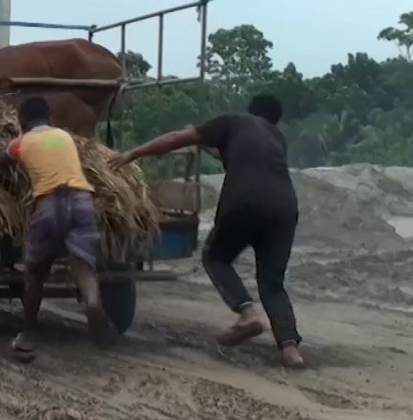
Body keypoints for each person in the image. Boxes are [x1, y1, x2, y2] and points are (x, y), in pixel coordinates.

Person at [110, 94, 306, 369]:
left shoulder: (234, 122)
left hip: (244, 202)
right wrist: (204, 143)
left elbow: (176, 138)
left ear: (249, 111)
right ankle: (290, 349)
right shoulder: (276, 139)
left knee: (215, 257)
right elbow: (221, 151)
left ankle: (247, 313)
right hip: (285, 209)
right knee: (272, 283)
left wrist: (134, 153)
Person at [0, 96, 112, 362]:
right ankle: (93, 303)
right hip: (82, 201)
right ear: (49, 119)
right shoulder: (64, 137)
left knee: (36, 272)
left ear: (22, 121)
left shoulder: (21, 143)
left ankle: (28, 336)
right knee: (84, 265)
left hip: (49, 205)